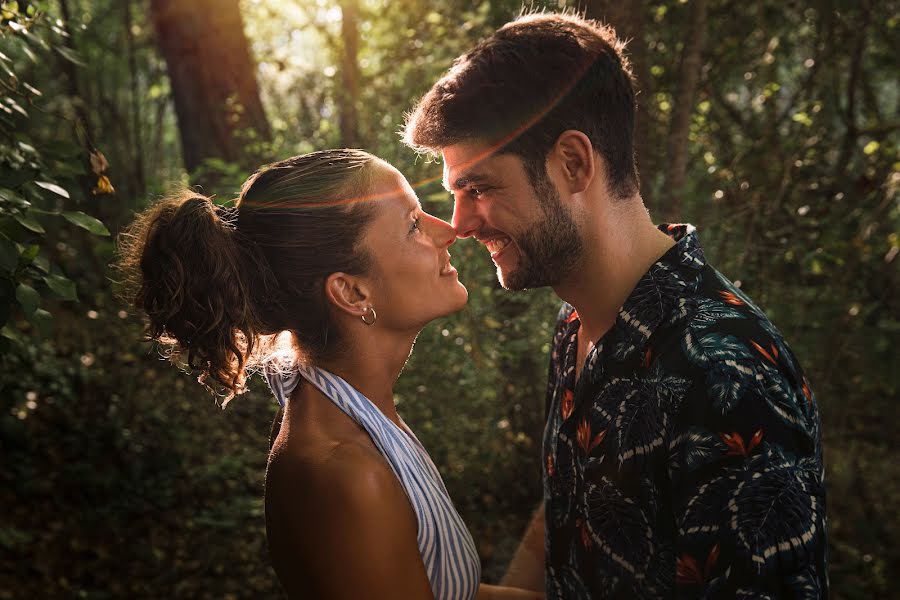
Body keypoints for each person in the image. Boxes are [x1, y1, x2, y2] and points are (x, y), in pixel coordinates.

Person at [403, 11, 828, 599]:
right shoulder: (575, 323)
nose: (461, 224)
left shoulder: (725, 375)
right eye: (456, 194)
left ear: (573, 163)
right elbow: (570, 523)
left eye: (480, 188)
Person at [117, 149, 543, 600]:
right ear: (351, 292)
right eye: (414, 224)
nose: (449, 231)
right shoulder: (345, 474)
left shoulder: (356, 418)